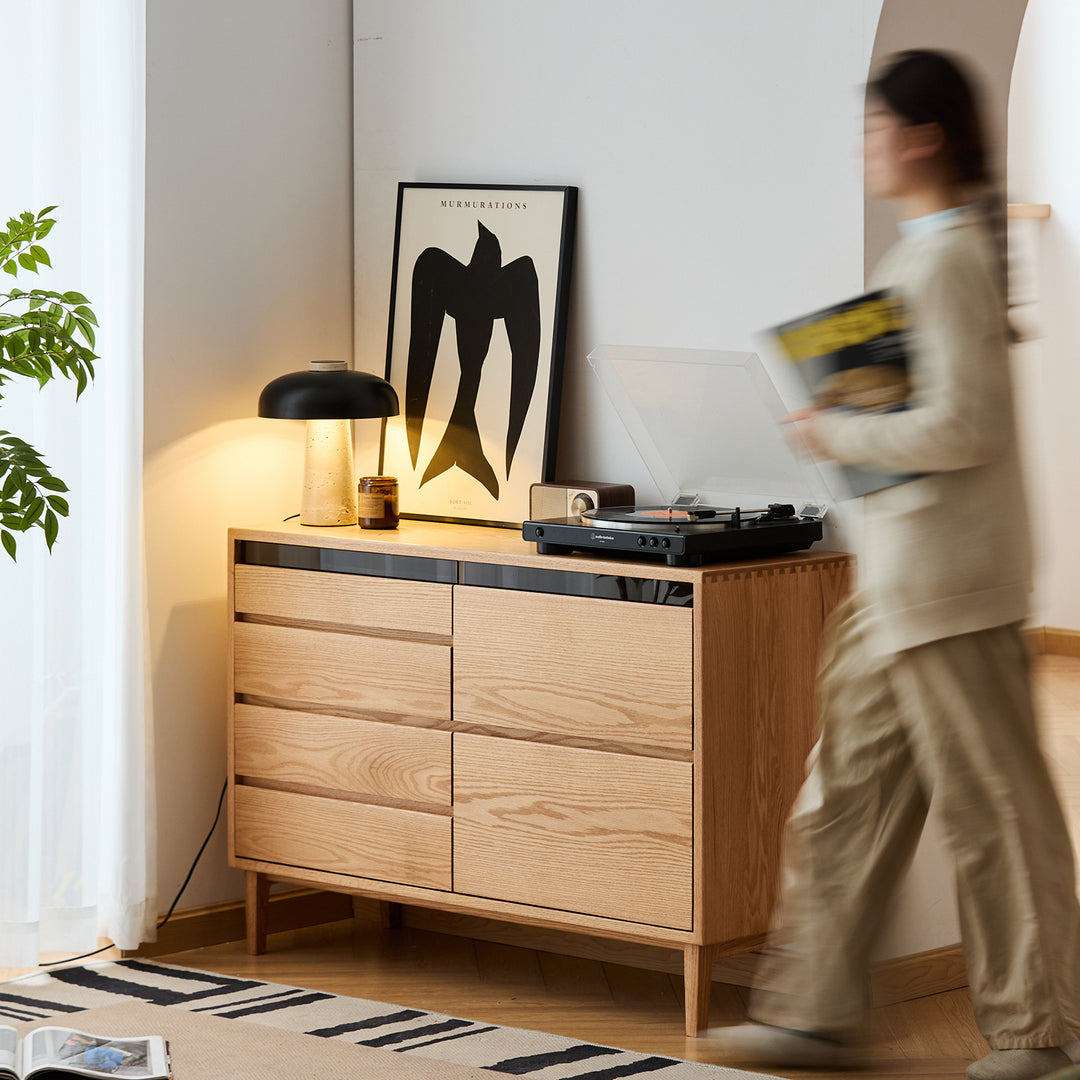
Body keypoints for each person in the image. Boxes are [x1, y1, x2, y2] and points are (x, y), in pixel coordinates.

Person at [711, 49, 1080, 1080]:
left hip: (953, 586)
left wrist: (843, 436)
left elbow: (964, 424)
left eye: (875, 127)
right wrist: (851, 422)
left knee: (997, 813)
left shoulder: (955, 256)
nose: (865, 146)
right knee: (846, 800)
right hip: (903, 581)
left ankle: (1041, 1035)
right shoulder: (930, 253)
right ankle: (815, 1011)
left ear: (920, 137)